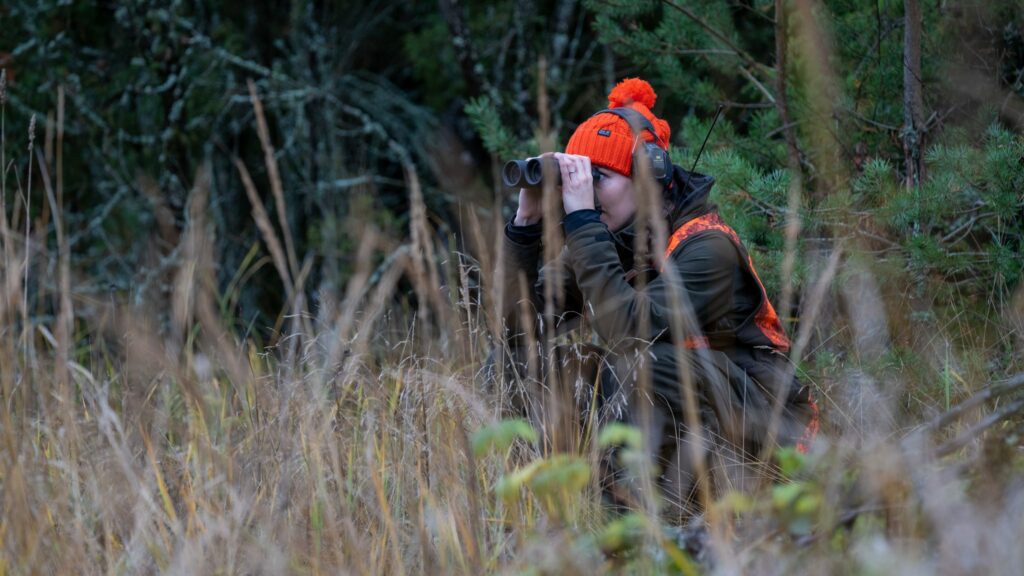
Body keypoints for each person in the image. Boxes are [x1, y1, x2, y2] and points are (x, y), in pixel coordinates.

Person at [494, 78, 818, 522]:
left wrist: (583, 223)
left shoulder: (709, 248)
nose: (583, 195)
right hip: (694, 427)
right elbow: (514, 329)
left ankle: (666, 521)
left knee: (649, 363)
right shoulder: (611, 240)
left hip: (767, 440)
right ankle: (581, 509)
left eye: (597, 179)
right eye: (579, 179)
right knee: (516, 365)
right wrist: (526, 223)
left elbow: (629, 331)